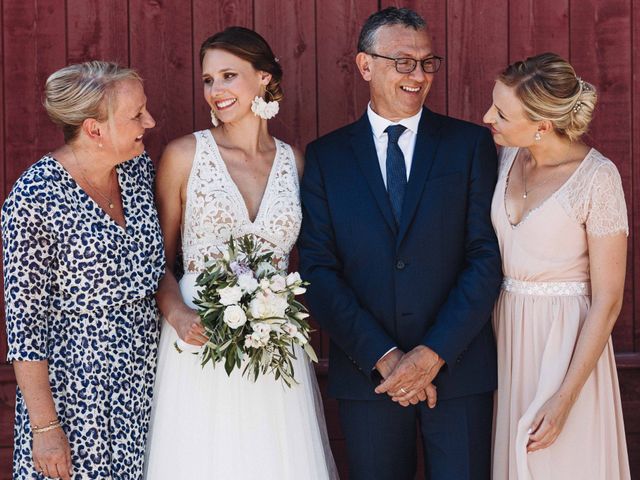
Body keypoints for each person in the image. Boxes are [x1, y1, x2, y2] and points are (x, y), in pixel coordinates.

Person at [298, 7, 502, 480]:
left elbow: (485, 257)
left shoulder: (469, 145)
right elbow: (318, 269)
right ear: (365, 65)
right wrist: (386, 358)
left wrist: (432, 354)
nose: (418, 76)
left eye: (427, 62)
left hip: (458, 371)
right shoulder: (326, 157)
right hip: (369, 375)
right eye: (403, 62)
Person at [144, 27, 337, 479]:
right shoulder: (184, 155)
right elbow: (156, 262)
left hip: (273, 345)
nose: (216, 91)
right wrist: (177, 316)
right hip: (197, 339)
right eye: (208, 80)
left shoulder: (297, 163)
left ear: (265, 78)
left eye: (229, 76)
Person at [2, 61, 164, 479]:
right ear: (94, 130)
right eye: (136, 115)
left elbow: (157, 266)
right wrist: (46, 428)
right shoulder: (32, 201)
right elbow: (25, 327)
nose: (150, 121)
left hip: (146, 384)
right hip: (78, 399)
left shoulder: (136, 170)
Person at [484, 52, 631, 480]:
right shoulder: (509, 157)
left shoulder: (598, 178)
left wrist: (563, 399)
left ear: (541, 127)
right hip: (508, 332)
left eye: (502, 113)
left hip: (566, 345)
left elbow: (608, 299)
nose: (487, 116)